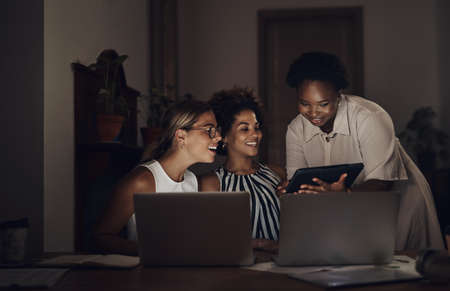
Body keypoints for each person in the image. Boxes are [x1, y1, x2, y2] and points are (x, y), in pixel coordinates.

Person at [283, 51, 444, 250]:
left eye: (323, 104)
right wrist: (292, 190)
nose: (313, 113)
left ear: (338, 95)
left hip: (400, 204)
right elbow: (299, 183)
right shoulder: (295, 130)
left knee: (405, 270)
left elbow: (382, 183)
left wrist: (345, 194)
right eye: (304, 103)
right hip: (346, 210)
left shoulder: (370, 117)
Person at [93, 100, 222, 255]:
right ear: (181, 136)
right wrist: (154, 253)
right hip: (147, 276)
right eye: (210, 130)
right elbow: (101, 238)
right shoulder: (142, 181)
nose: (219, 137)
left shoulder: (192, 180)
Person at [199, 87, 286, 252]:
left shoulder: (277, 174)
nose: (256, 135)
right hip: (238, 272)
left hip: (282, 264)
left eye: (257, 127)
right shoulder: (210, 184)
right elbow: (209, 240)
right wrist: (262, 244)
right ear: (223, 136)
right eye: (245, 129)